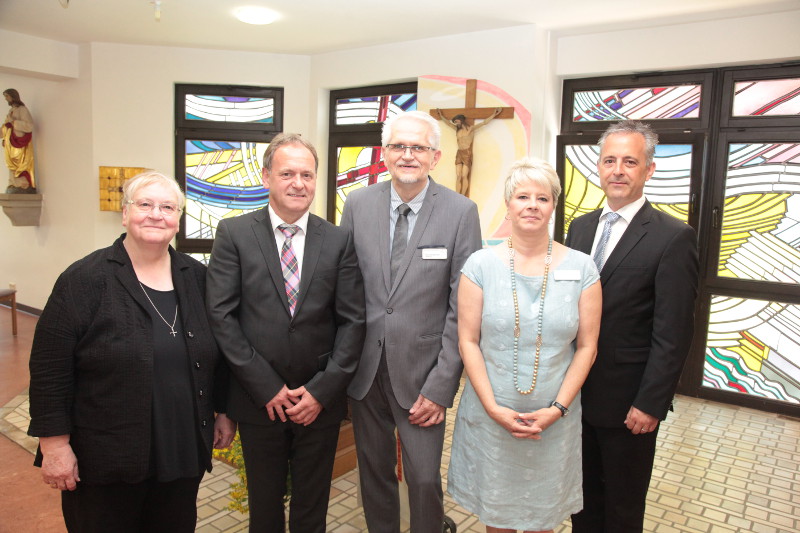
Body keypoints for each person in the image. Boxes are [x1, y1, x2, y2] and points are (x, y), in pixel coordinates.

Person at [27, 171, 235, 533]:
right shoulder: (85, 280)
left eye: (167, 207)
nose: (156, 214)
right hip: (105, 460)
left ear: (177, 219)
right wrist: (54, 445)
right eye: (145, 204)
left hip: (181, 450)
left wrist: (223, 411)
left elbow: (218, 352)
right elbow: (49, 367)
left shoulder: (197, 277)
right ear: (125, 214)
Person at [206, 133, 365, 533]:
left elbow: (353, 321)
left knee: (313, 504)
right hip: (259, 399)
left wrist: (323, 391)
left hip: (319, 400)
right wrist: (266, 387)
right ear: (266, 178)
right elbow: (222, 316)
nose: (299, 183)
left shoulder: (338, 239)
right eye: (288, 173)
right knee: (265, 504)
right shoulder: (235, 234)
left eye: (307, 174)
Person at [341, 110, 482, 533]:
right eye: (399, 146)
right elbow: (345, 289)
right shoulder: (357, 204)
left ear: (435, 156)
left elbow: (465, 306)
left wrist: (441, 388)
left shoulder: (461, 212)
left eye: (417, 147)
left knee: (422, 479)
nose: (408, 155)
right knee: (374, 475)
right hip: (365, 373)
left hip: (424, 376)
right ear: (385, 154)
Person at [448, 158, 602, 532]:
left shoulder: (582, 269)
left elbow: (587, 346)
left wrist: (558, 408)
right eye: (522, 196)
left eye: (542, 198)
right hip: (491, 414)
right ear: (508, 204)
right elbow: (467, 341)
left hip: (555, 419)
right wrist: (492, 407)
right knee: (496, 519)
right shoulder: (480, 265)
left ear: (553, 206)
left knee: (542, 520)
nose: (532, 205)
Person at [566, 120, 699, 533]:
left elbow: (673, 331)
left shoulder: (673, 237)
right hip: (573, 398)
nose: (618, 170)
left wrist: (651, 403)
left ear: (649, 170)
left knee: (623, 510)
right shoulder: (579, 228)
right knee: (582, 504)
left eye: (629, 161)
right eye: (609, 160)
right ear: (599, 167)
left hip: (629, 405)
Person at [434, 107, 501, 196]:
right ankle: (457, 195)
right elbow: (448, 123)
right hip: (459, 153)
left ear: (461, 120)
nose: (456, 123)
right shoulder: (457, 129)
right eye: (455, 122)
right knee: (458, 176)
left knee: (464, 175)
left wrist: (494, 114)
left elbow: (484, 123)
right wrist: (441, 115)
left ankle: (462, 195)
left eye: (457, 121)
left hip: (467, 153)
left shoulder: (470, 129)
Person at [2, 88, 36, 193]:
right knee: (11, 164)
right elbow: (6, 126)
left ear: (13, 96)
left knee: (19, 163)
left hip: (19, 141)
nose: (6, 99)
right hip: (10, 143)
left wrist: (14, 123)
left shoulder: (22, 110)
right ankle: (14, 183)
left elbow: (29, 126)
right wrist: (4, 134)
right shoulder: (11, 111)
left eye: (7, 96)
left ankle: (23, 183)